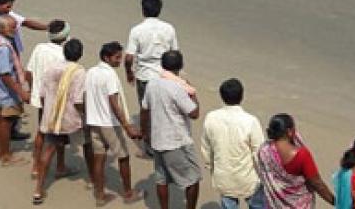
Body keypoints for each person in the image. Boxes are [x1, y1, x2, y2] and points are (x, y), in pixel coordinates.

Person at [32, 38, 90, 205]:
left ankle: (49, 178)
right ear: (80, 54)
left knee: (51, 146)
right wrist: (85, 116)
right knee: (87, 144)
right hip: (69, 118)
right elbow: (78, 100)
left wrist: (47, 112)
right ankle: (94, 181)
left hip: (51, 116)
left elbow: (42, 94)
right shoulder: (79, 72)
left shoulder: (51, 69)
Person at [142, 50, 201, 209]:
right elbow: (194, 113)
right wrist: (191, 91)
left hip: (158, 139)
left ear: (162, 65)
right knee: (193, 179)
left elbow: (144, 110)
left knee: (161, 180)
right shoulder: (177, 87)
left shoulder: (152, 84)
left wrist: (145, 133)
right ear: (180, 66)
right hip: (177, 141)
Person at [85, 41, 142, 205]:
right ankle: (128, 193)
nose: (119, 61)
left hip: (94, 121)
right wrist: (127, 126)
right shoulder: (109, 75)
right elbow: (113, 102)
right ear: (106, 57)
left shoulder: (91, 71)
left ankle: (100, 195)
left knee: (99, 158)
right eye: (117, 58)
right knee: (123, 157)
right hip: (109, 123)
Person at [201, 78, 266, 209]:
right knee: (257, 205)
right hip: (249, 177)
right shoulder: (250, 121)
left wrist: (211, 166)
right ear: (242, 96)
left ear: (222, 96)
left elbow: (206, 148)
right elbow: (259, 151)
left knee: (228, 204)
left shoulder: (211, 118)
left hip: (223, 175)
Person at [256, 114, 335, 208]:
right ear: (289, 131)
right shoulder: (301, 155)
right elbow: (317, 184)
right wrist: (336, 202)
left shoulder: (264, 150)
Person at [26, 20, 72, 181]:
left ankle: (35, 167)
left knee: (41, 131)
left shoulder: (39, 48)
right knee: (58, 134)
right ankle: (60, 166)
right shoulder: (63, 54)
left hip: (40, 98)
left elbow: (29, 73)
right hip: (57, 100)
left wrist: (33, 90)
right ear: (65, 36)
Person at [0, 14, 31, 166]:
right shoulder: (4, 48)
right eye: (13, 27)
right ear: (3, 28)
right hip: (6, 92)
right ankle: (5, 155)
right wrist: (21, 92)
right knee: (6, 122)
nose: (15, 29)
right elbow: (5, 74)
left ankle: (1, 150)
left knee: (0, 120)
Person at [125, 0, 178, 103]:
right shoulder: (169, 28)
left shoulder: (136, 30)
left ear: (143, 10)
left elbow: (129, 58)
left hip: (144, 75)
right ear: (159, 10)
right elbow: (175, 54)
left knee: (145, 108)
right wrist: (175, 75)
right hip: (164, 75)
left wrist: (129, 73)